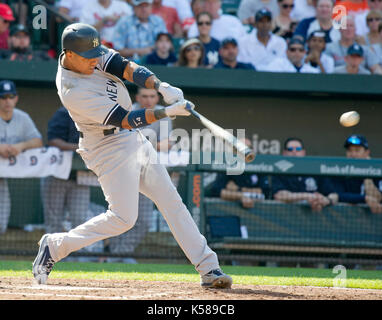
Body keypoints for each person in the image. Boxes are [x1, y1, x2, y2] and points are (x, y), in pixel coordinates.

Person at [32, 23, 232, 289]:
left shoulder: (87, 50)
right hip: (106, 148)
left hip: (133, 140)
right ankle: (54, 247)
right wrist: (167, 112)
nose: (95, 61)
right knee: (123, 219)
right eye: (89, 59)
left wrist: (161, 86)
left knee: (172, 201)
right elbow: (126, 120)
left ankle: (209, 268)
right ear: (69, 55)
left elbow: (127, 68)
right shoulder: (72, 90)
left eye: (96, 56)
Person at [108, 88, 173, 255]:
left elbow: (167, 145)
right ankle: (113, 254)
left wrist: (141, 143)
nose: (148, 100)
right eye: (144, 96)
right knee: (118, 216)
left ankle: (121, 254)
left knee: (144, 220)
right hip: (123, 171)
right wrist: (150, 143)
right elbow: (118, 140)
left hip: (147, 172)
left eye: (152, 96)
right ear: (137, 97)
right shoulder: (126, 109)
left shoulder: (163, 113)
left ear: (157, 97)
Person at [0, 80, 43, 234]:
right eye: (3, 97)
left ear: (16, 98)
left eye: (11, 96)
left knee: (1, 221)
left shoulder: (22, 117)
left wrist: (21, 146)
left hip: (3, 175)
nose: (7, 101)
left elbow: (38, 141)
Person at [310, 135, 382, 214]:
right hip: (349, 218)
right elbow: (338, 196)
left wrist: (368, 169)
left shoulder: (377, 172)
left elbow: (375, 198)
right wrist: (364, 198)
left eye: (357, 150)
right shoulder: (340, 172)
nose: (353, 154)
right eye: (349, 150)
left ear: (367, 153)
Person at [271, 137, 332, 212]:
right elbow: (279, 195)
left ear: (303, 152)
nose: (294, 152)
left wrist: (326, 200)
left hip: (315, 216)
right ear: (284, 153)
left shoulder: (315, 169)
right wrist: (308, 196)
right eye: (290, 149)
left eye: (298, 149)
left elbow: (333, 194)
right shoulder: (279, 171)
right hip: (285, 217)